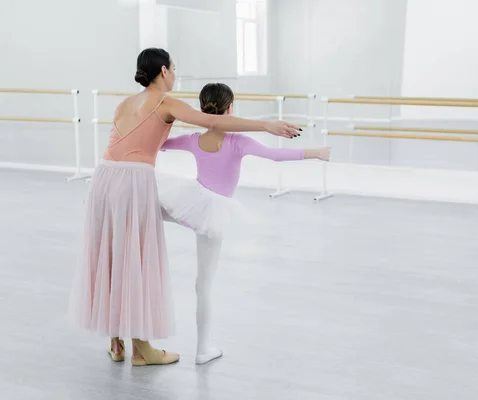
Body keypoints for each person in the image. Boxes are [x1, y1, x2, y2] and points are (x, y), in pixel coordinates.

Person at [68, 48, 301, 366]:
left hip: (104, 177)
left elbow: (126, 142)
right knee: (137, 257)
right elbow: (212, 120)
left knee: (113, 254)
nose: (175, 74)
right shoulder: (167, 102)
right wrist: (267, 125)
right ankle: (142, 349)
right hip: (134, 179)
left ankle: (117, 342)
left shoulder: (124, 104)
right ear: (163, 71)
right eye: (174, 68)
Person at [157, 82, 331, 364]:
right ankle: (203, 350)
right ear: (230, 109)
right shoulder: (238, 141)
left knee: (159, 206)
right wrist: (316, 152)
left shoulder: (192, 139)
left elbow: (161, 144)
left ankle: (134, 211)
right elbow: (276, 156)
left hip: (190, 202)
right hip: (212, 212)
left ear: (203, 109)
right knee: (204, 285)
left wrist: (158, 123)